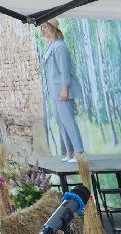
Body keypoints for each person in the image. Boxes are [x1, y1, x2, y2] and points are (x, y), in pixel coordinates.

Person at [39, 20, 84, 165]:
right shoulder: (50, 46)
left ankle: (79, 153)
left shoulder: (59, 46)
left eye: (45, 27)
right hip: (55, 91)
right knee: (61, 122)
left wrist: (64, 88)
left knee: (68, 122)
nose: (43, 30)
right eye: (42, 27)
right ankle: (68, 152)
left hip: (63, 91)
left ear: (53, 28)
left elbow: (65, 69)